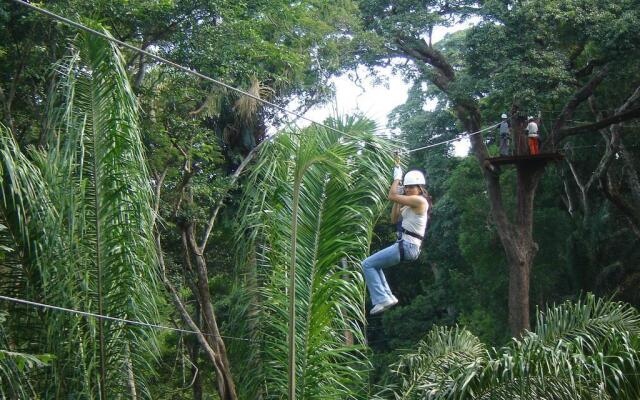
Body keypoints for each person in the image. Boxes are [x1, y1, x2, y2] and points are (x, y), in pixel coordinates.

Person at [361, 164, 432, 315]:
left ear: (420, 188)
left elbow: (391, 195)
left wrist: (397, 179)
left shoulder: (420, 202)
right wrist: (398, 199)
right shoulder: (409, 204)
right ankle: (387, 297)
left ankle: (382, 298)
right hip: (405, 246)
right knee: (374, 265)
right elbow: (393, 219)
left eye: (411, 187)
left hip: (407, 246)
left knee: (367, 264)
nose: (408, 189)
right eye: (406, 187)